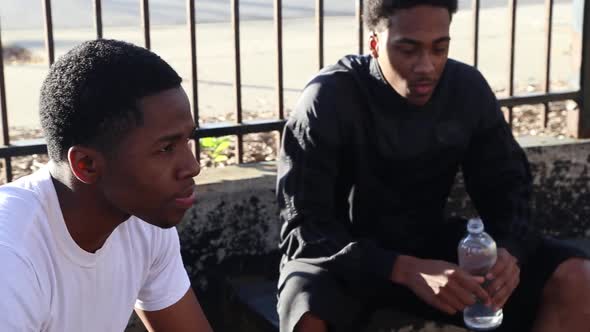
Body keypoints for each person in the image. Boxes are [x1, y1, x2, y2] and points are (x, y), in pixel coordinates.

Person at [276, 1, 590, 331]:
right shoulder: (327, 98)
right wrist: (404, 269)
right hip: (345, 259)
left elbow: (509, 187)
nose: (426, 66)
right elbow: (304, 229)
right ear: (374, 43)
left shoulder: (466, 88)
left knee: (577, 279)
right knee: (306, 309)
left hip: (432, 247)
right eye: (408, 50)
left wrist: (510, 253)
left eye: (439, 48)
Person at [0, 39, 212, 331]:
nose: (193, 167)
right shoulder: (10, 257)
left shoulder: (144, 221)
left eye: (187, 141)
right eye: (166, 149)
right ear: (86, 165)